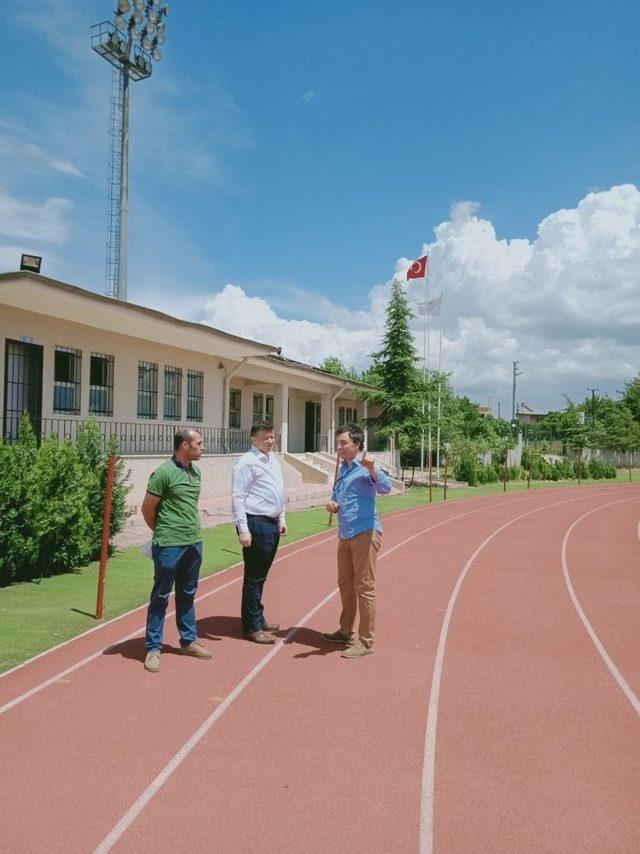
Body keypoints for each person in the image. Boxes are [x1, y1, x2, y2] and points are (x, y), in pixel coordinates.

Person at [141, 429, 212, 673]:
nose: (203, 447)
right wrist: (163, 533)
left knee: (188, 593)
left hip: (194, 543)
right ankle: (153, 647)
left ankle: (188, 641)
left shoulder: (196, 472)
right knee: (161, 596)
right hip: (169, 544)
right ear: (185, 445)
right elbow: (147, 509)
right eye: (199, 443)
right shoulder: (163, 473)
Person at [323, 423, 391, 659]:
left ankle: (366, 641)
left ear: (357, 445)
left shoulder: (366, 466)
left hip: (365, 531)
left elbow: (386, 487)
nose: (339, 447)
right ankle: (345, 630)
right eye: (338, 443)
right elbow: (338, 495)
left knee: (365, 587)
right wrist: (333, 504)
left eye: (343, 443)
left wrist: (373, 469)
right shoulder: (344, 468)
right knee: (345, 583)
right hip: (345, 533)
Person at [231, 420, 287, 644]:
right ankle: (251, 627)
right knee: (254, 577)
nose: (270, 441)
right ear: (254, 439)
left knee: (261, 576)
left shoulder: (273, 460)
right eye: (265, 437)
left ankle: (258, 617)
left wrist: (281, 517)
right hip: (256, 523)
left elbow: (278, 490)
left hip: (271, 523)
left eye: (272, 436)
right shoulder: (247, 462)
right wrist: (243, 529)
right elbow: (238, 496)